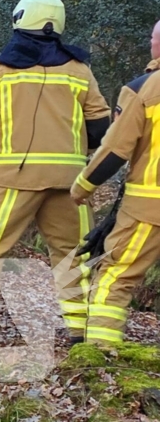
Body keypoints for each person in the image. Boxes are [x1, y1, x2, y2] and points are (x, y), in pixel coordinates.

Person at [0, 0, 111, 344]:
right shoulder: (80, 70)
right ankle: (82, 329)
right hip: (70, 182)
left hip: (12, 179)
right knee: (75, 254)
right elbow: (100, 128)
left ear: (20, 18)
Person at [70, 19, 160, 345]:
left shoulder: (144, 89)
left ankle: (99, 356)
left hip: (148, 208)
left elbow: (114, 151)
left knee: (115, 276)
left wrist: (82, 187)